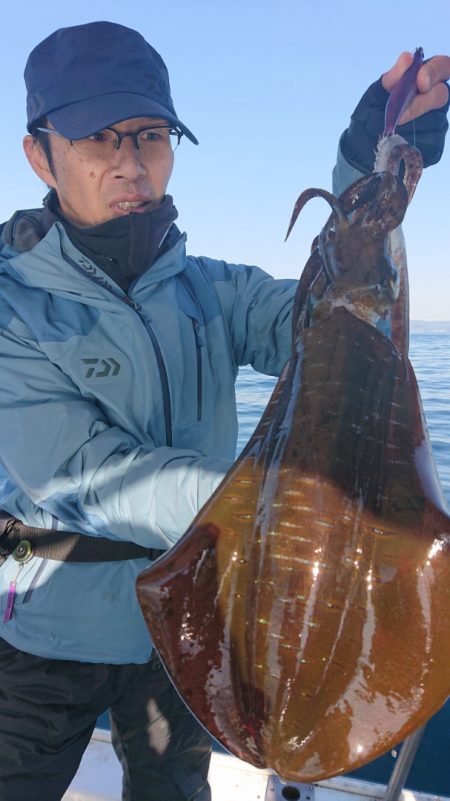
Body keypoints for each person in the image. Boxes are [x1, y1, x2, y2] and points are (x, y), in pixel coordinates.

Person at [0, 20, 448, 801]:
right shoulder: (12, 307)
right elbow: (79, 473)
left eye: (149, 134)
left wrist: (371, 168)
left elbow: (335, 320)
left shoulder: (212, 289)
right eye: (98, 138)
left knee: (175, 790)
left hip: (196, 624)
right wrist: (285, 513)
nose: (130, 161)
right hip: (48, 632)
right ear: (41, 152)